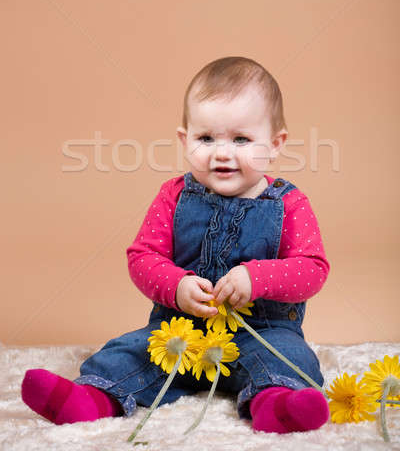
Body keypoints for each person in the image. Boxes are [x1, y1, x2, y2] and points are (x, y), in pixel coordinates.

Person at [21, 56, 330, 434]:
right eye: (206, 138)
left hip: (262, 332)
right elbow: (142, 257)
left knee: (290, 358)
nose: (221, 152)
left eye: (241, 139)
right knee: (128, 351)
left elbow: (312, 268)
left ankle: (277, 406)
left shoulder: (289, 203)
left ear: (275, 144)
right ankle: (89, 399)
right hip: (179, 332)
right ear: (185, 140)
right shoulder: (174, 196)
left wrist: (257, 277)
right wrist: (176, 286)